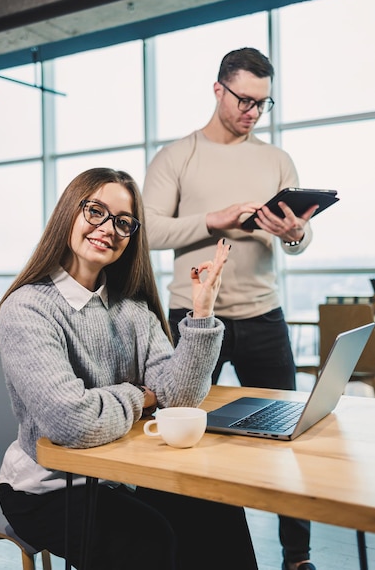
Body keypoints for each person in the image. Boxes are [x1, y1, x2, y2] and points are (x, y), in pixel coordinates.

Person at [0, 167, 258, 570]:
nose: (107, 228)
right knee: (149, 539)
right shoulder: (27, 309)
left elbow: (178, 397)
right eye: (95, 211)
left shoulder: (132, 309)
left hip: (120, 475)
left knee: (218, 508)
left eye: (123, 222)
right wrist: (141, 396)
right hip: (47, 489)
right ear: (69, 212)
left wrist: (201, 314)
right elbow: (71, 423)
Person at [142, 48, 319, 570]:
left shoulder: (276, 159)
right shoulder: (177, 156)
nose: (252, 111)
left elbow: (299, 239)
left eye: (263, 103)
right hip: (194, 320)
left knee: (291, 434)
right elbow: (147, 230)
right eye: (244, 99)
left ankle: (298, 556)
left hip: (265, 315)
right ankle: (189, 548)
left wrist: (295, 234)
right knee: (186, 430)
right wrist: (213, 220)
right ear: (218, 89)